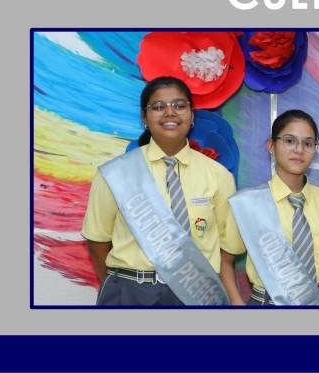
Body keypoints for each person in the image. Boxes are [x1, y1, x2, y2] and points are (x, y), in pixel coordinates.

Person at [82, 76, 237, 306]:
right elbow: (97, 241)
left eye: (179, 105)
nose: (170, 113)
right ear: (144, 117)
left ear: (192, 116)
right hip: (130, 294)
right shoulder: (115, 173)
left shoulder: (218, 176)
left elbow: (227, 248)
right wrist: (124, 286)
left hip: (198, 295)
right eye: (158, 107)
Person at [220, 110, 319, 305]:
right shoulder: (247, 204)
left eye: (308, 143)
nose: (299, 149)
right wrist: (237, 302)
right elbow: (226, 261)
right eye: (289, 141)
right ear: (271, 146)